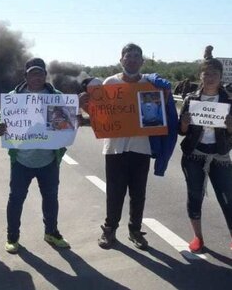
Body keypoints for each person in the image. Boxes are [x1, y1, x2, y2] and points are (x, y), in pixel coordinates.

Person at [84, 44, 173, 250]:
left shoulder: (150, 85)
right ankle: (109, 230)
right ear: (121, 60)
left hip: (141, 148)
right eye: (128, 56)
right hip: (114, 148)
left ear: (142, 61)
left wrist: (165, 99)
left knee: (138, 193)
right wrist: (85, 105)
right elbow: (101, 115)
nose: (132, 60)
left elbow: (159, 115)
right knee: (114, 193)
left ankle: (135, 231)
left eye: (136, 56)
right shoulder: (110, 82)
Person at [0, 58, 70, 254]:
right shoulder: (14, 97)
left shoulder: (56, 96)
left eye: (40, 73)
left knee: (51, 198)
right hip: (21, 159)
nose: (36, 77)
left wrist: (73, 121)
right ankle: (12, 237)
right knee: (16, 199)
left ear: (45, 75)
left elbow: (67, 121)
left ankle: (51, 232)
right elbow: (1, 117)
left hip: (49, 159)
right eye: (32, 73)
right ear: (25, 76)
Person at [178, 46, 232, 253]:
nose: (210, 77)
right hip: (194, 155)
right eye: (206, 73)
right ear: (200, 76)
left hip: (220, 156)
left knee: (228, 198)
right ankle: (198, 238)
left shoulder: (229, 100)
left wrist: (230, 126)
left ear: (220, 76)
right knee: (194, 196)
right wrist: (184, 123)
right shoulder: (192, 99)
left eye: (214, 74)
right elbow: (181, 132)